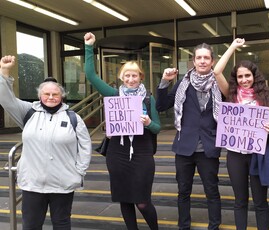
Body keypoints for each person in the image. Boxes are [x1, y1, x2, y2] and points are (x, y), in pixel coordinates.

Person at [0, 55, 92, 230]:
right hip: (33, 183)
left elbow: (85, 146)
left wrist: (78, 172)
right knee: (31, 225)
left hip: (63, 183)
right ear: (40, 95)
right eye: (46, 94)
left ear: (62, 96)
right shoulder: (28, 112)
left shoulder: (73, 118)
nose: (51, 97)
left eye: (55, 94)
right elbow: (5, 98)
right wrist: (4, 71)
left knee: (62, 223)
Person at [84, 32, 161, 230]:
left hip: (142, 152)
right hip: (117, 152)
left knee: (142, 201)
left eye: (134, 75)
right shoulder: (113, 95)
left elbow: (158, 128)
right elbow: (91, 76)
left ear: (140, 77)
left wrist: (149, 123)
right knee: (125, 199)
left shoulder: (148, 99)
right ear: (121, 77)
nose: (131, 79)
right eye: (127, 75)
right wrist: (89, 47)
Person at [213, 38, 269, 230]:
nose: (244, 80)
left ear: (254, 76)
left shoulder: (265, 99)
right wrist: (232, 47)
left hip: (258, 155)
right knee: (240, 201)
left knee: (260, 202)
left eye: (247, 75)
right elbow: (216, 72)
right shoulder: (230, 95)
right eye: (240, 77)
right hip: (235, 155)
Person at [157, 43, 222, 230]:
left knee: (212, 191)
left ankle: (214, 226)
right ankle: (183, 226)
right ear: (193, 61)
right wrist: (164, 82)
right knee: (183, 191)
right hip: (184, 147)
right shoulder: (182, 83)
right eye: (199, 57)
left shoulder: (219, 84)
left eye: (206, 58)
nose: (202, 61)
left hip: (208, 147)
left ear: (212, 61)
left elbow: (234, 109)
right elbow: (162, 106)